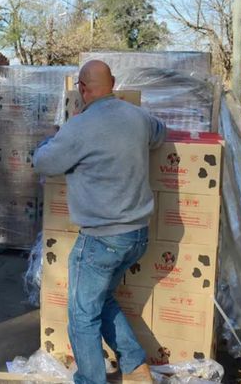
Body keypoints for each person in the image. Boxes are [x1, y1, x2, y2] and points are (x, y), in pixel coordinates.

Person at [33, 60, 166, 384]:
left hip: (101, 241)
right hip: (137, 236)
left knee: (81, 315)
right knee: (100, 299)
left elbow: (43, 163)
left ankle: (91, 380)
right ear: (114, 84)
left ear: (81, 88)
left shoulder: (79, 127)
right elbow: (160, 135)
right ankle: (136, 367)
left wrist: (52, 139)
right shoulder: (138, 117)